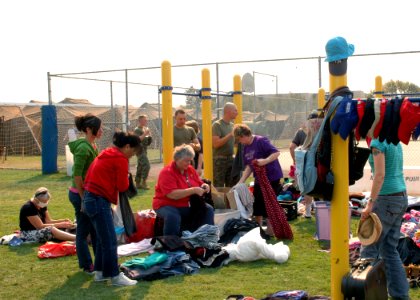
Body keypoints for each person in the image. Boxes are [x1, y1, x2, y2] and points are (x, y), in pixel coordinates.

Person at [83, 131, 140, 286]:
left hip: (90, 198)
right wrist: (128, 178)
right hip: (98, 200)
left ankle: (100, 272)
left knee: (103, 239)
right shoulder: (120, 158)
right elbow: (122, 186)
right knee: (109, 240)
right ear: (127, 146)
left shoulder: (108, 152)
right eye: (133, 151)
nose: (132, 155)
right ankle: (115, 276)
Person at [360, 138, 409, 299]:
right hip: (400, 196)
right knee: (389, 250)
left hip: (386, 198)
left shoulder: (377, 142)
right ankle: (401, 295)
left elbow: (380, 175)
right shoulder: (393, 138)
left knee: (368, 248)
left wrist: (370, 203)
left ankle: (367, 294)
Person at [152, 144, 214, 236]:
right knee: (173, 216)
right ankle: (171, 243)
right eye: (186, 161)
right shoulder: (167, 172)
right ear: (177, 159)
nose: (189, 163)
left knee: (208, 209)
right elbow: (172, 195)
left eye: (190, 160)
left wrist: (204, 185)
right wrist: (193, 190)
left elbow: (198, 182)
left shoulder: (190, 169)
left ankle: (206, 237)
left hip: (186, 204)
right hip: (165, 204)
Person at [234, 124, 283, 236]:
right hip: (259, 179)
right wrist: (240, 182)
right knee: (258, 204)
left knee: (269, 203)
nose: (240, 142)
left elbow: (276, 152)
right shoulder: (246, 148)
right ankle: (257, 230)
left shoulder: (261, 140)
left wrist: (265, 161)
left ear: (244, 135)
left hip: (272, 177)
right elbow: (249, 167)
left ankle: (270, 231)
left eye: (239, 139)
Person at [68, 113, 102, 274]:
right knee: (83, 231)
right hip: (80, 195)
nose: (101, 131)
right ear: (88, 129)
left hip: (89, 194)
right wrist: (83, 199)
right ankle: (87, 264)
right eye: (98, 128)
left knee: (95, 230)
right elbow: (77, 175)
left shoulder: (94, 146)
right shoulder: (83, 148)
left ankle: (99, 262)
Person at [289, 110, 318, 218]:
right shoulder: (322, 130)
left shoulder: (301, 132)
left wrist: (295, 161)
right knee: (319, 184)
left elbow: (292, 147)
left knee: (307, 185)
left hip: (306, 163)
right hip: (319, 162)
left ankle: (308, 212)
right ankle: (321, 208)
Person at [212, 102, 238, 187]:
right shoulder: (217, 125)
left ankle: (228, 201)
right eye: (235, 110)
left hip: (231, 159)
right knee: (219, 186)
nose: (237, 113)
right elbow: (216, 144)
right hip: (220, 160)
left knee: (231, 186)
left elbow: (234, 144)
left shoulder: (232, 125)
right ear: (228, 111)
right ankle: (219, 201)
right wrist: (230, 134)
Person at [134, 115, 151, 189]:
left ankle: (137, 183)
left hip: (144, 149)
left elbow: (147, 142)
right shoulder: (137, 129)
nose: (146, 121)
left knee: (140, 166)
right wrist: (145, 133)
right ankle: (144, 182)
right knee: (146, 165)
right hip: (139, 150)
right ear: (140, 121)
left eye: (146, 120)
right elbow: (138, 140)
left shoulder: (144, 128)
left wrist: (149, 136)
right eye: (144, 120)